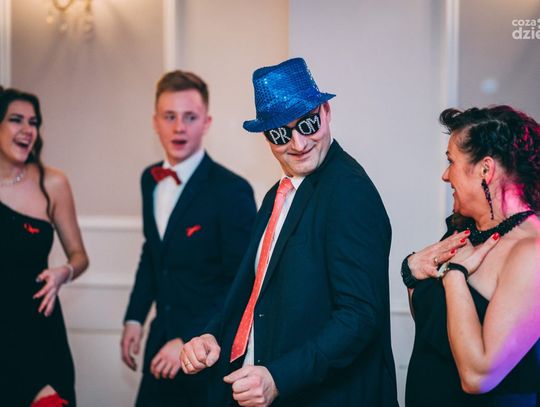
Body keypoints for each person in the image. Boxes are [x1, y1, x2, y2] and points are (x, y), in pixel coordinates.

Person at [180, 57, 398, 407]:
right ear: (267, 138)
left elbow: (359, 317)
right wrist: (212, 335)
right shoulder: (278, 194)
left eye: (308, 124)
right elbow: (255, 294)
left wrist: (279, 378)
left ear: (326, 112)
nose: (297, 143)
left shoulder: (349, 191)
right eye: (281, 134)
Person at [120, 70, 257, 406]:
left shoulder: (232, 191)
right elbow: (153, 255)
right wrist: (135, 317)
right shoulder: (149, 180)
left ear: (206, 123)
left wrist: (188, 338)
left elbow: (242, 282)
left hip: (208, 351)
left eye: (190, 117)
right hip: (159, 344)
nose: (179, 127)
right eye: (170, 116)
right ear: (155, 122)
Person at [403, 105, 540, 406]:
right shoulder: (463, 229)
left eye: (451, 161)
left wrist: (454, 276)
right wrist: (411, 273)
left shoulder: (531, 252)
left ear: (485, 170)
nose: (445, 175)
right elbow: (433, 326)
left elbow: (477, 376)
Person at [0, 87, 89, 406]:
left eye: (34, 122)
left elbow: (80, 256)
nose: (28, 130)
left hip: (39, 332)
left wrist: (64, 272)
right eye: (16, 120)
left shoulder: (53, 183)